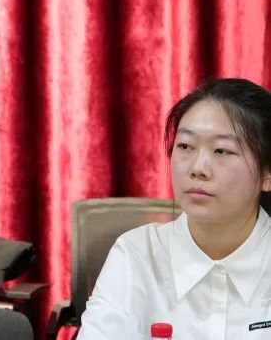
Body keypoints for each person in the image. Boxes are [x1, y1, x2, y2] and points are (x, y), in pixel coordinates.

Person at [78, 78, 271, 340]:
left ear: (267, 174)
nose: (198, 168)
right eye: (185, 146)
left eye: (222, 151)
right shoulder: (136, 255)